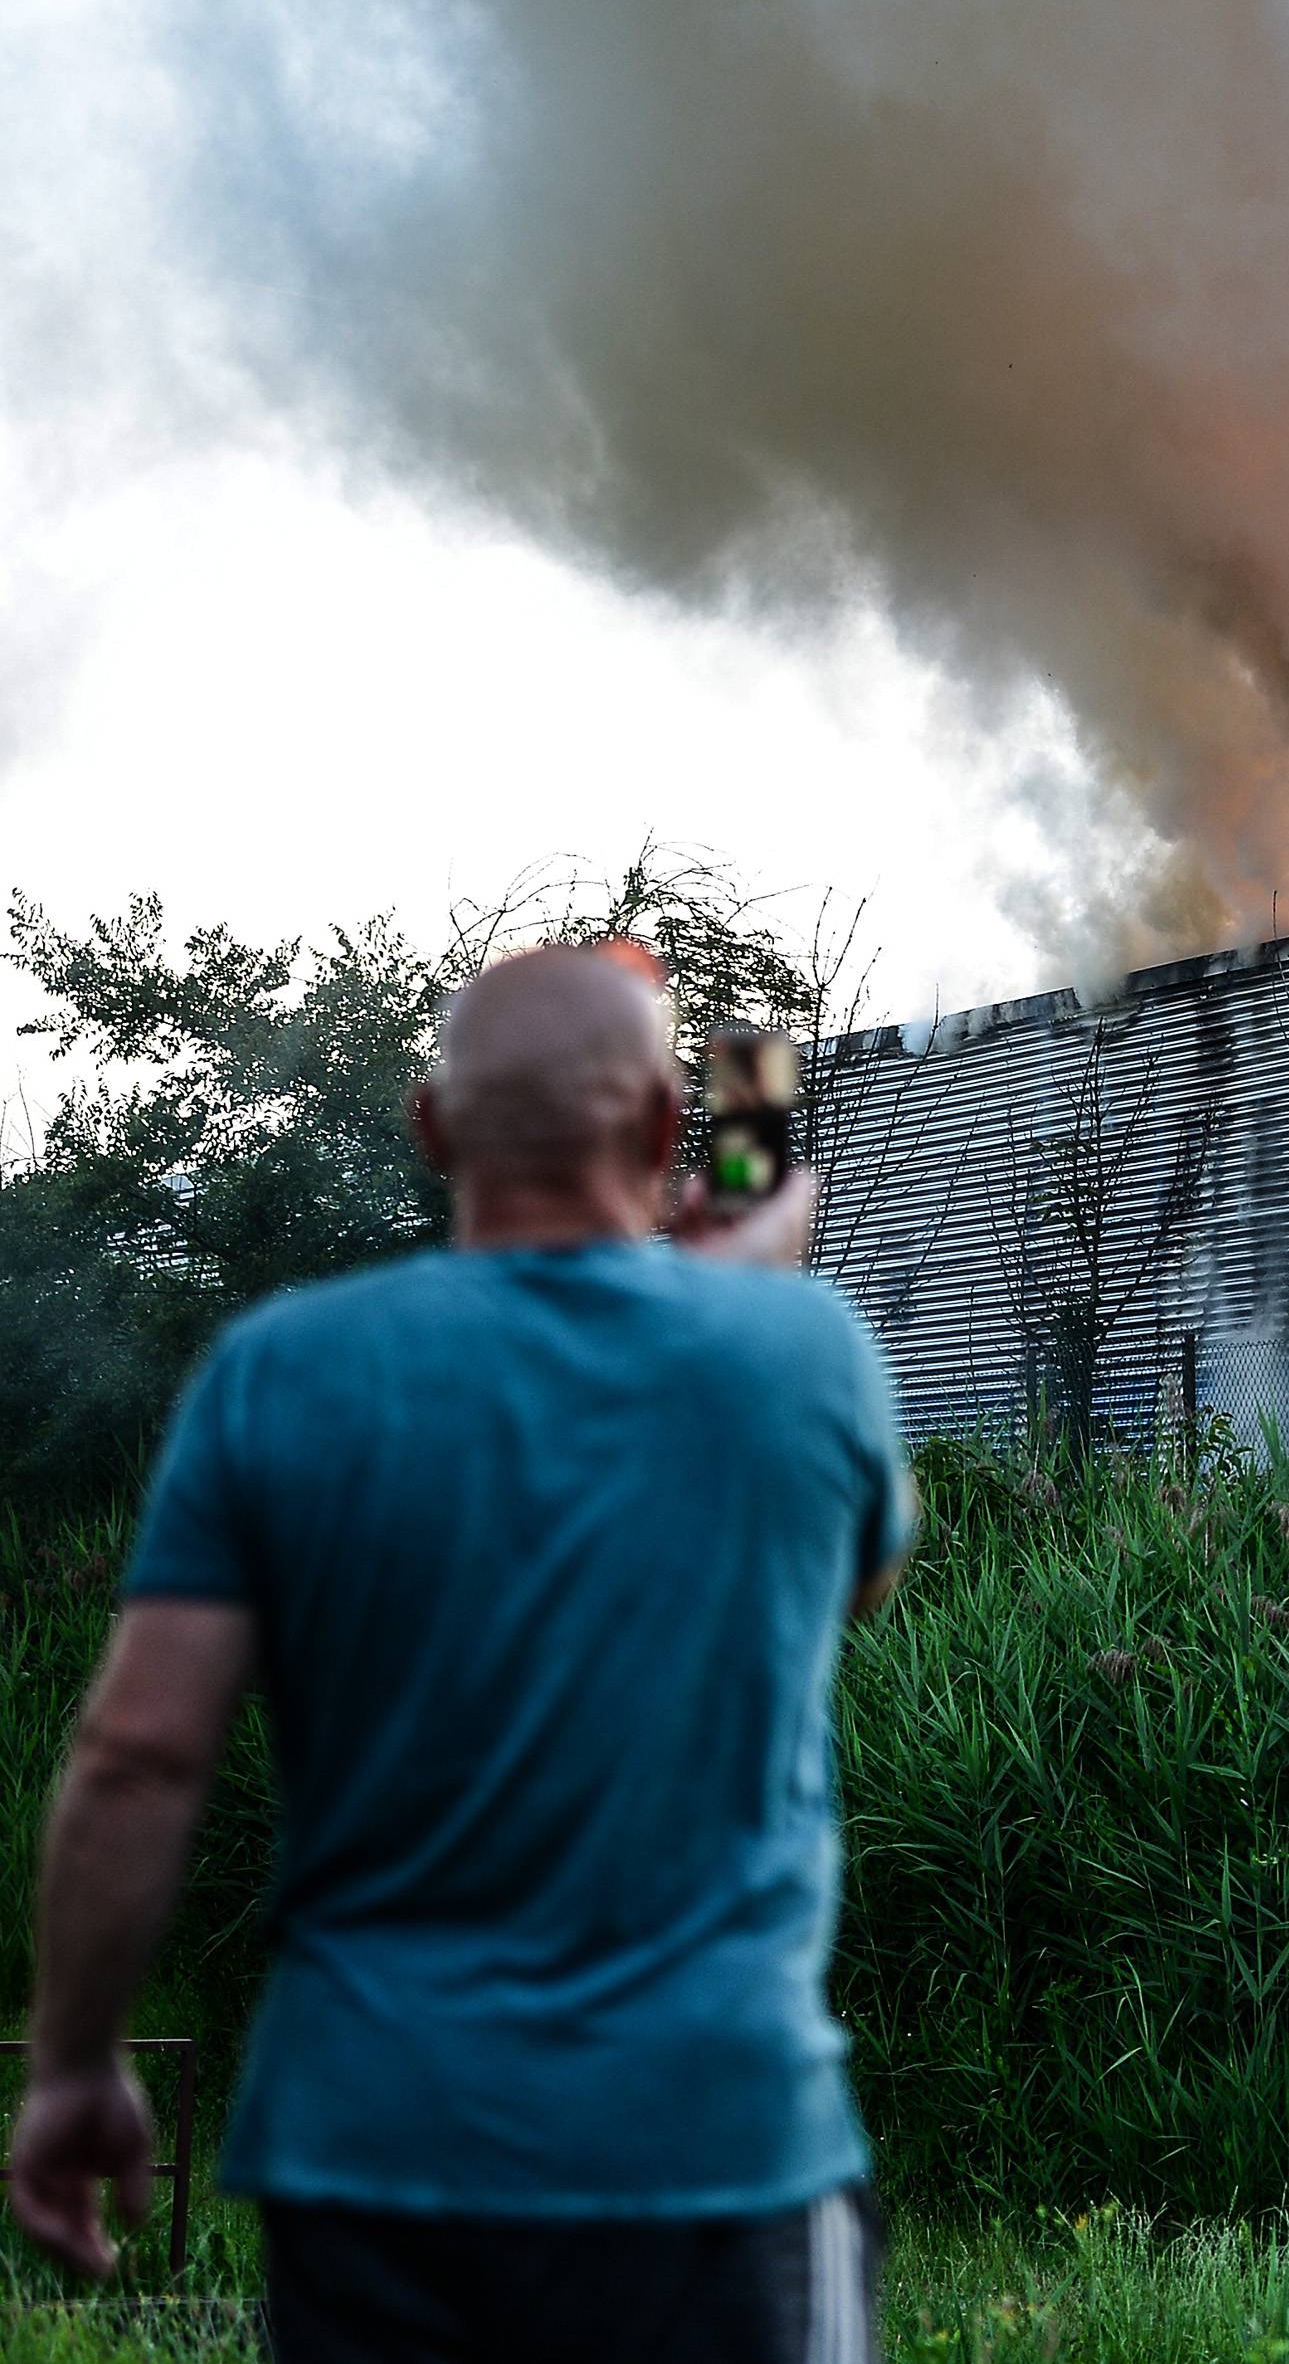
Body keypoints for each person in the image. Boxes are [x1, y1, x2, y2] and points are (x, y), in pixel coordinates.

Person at [7, 942, 917, 2362]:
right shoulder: (806, 1351)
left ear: (433, 1125)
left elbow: (138, 1756)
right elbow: (854, 1590)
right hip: (716, 2155)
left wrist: (70, 2062)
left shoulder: (278, 1370)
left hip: (373, 2158)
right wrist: (754, 1294)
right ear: (671, 1134)